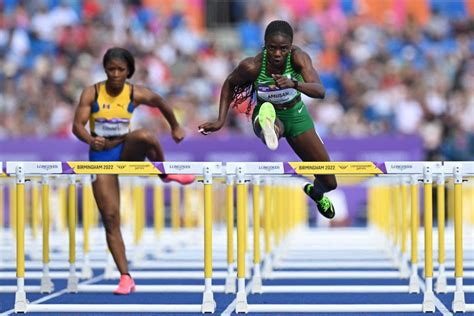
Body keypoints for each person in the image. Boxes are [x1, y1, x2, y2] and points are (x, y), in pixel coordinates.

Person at [72, 47, 195, 295]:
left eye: (120, 70)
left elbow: (160, 101)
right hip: (101, 155)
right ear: (105, 70)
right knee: (110, 218)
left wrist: (175, 126)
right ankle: (125, 277)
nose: (115, 74)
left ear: (129, 72)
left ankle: (165, 173)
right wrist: (89, 139)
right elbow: (77, 125)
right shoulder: (92, 92)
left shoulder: (134, 93)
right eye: (111, 69)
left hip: (125, 148)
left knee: (146, 136)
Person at [198, 20, 337, 219]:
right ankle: (268, 126)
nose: (278, 53)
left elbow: (320, 90)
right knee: (270, 125)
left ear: (290, 47)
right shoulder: (253, 66)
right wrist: (220, 120)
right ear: (265, 45)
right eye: (272, 48)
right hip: (266, 110)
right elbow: (229, 83)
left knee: (329, 182)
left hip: (296, 115)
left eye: (283, 49)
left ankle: (316, 193)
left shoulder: (299, 58)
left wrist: (293, 83)